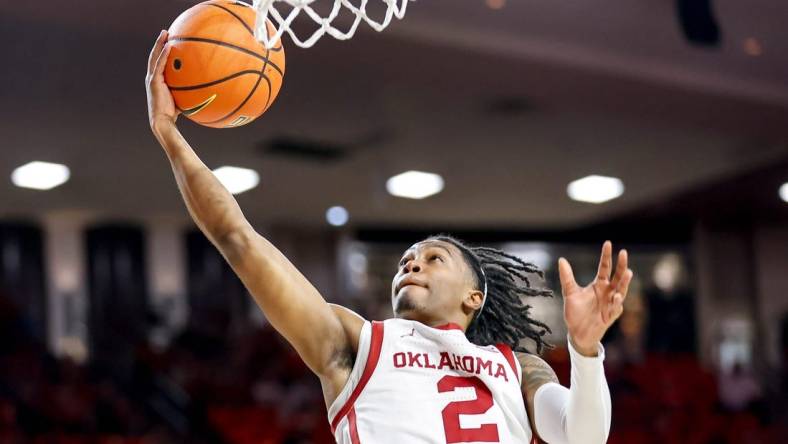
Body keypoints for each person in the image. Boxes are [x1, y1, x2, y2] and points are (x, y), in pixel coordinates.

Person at [146, 30, 633, 444]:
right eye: (406, 259)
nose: (410, 263)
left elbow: (581, 436)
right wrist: (169, 134)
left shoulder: (519, 367)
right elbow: (238, 238)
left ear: (473, 296)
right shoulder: (355, 343)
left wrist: (586, 352)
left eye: (432, 257)